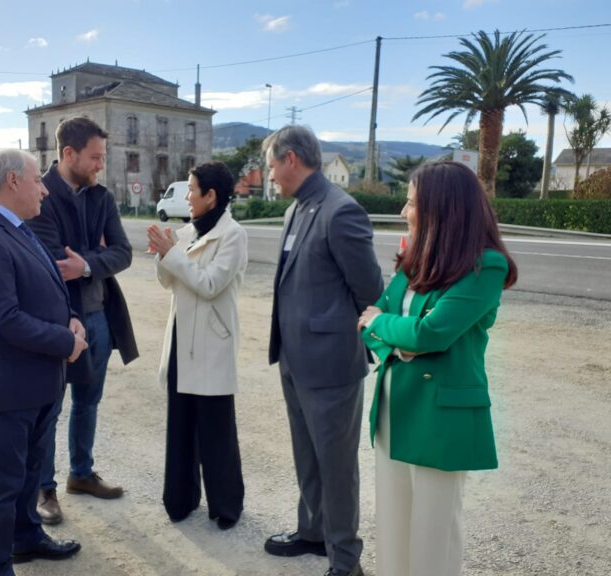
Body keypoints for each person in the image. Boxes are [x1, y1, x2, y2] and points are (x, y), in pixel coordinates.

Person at [357, 161, 518, 576]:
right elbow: (370, 324)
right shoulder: (417, 257)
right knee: (393, 523)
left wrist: (388, 329)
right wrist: (393, 335)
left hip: (441, 415)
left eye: (410, 203)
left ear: (440, 208)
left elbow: (432, 333)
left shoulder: (485, 266)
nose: (404, 212)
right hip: (396, 406)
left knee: (433, 533)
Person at [0, 149, 87, 576]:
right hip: (5, 384)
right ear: (13, 181)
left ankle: (26, 537)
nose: (44, 189)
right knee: (1, 487)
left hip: (37, 378)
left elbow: (43, 286)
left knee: (30, 473)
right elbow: (4, 319)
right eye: (37, 180)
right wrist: (65, 341)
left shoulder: (14, 228)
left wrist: (68, 318)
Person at [262, 125, 383, 576]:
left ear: (291, 158)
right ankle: (312, 532)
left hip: (331, 366)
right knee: (307, 455)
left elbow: (369, 292)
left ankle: (346, 560)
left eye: (272, 164)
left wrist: (335, 334)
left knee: (336, 466)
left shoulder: (341, 211)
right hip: (295, 359)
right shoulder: (298, 209)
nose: (270, 174)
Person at [28, 116, 138, 525]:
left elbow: (123, 253)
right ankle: (45, 488)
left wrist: (88, 263)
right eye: (94, 158)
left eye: (102, 158)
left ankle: (81, 474)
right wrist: (97, 256)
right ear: (69, 154)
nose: (99, 166)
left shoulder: (102, 197)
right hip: (58, 321)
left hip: (100, 316)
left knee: (88, 403)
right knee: (49, 407)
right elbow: (53, 262)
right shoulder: (39, 195)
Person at [147, 161, 247, 530]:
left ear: (211, 196)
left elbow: (210, 284)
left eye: (192, 190)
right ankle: (180, 500)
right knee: (181, 423)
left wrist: (171, 255)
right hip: (180, 341)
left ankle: (226, 506)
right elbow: (168, 282)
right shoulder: (188, 231)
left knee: (216, 429)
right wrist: (163, 254)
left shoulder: (233, 235)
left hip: (212, 344)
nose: (186, 196)